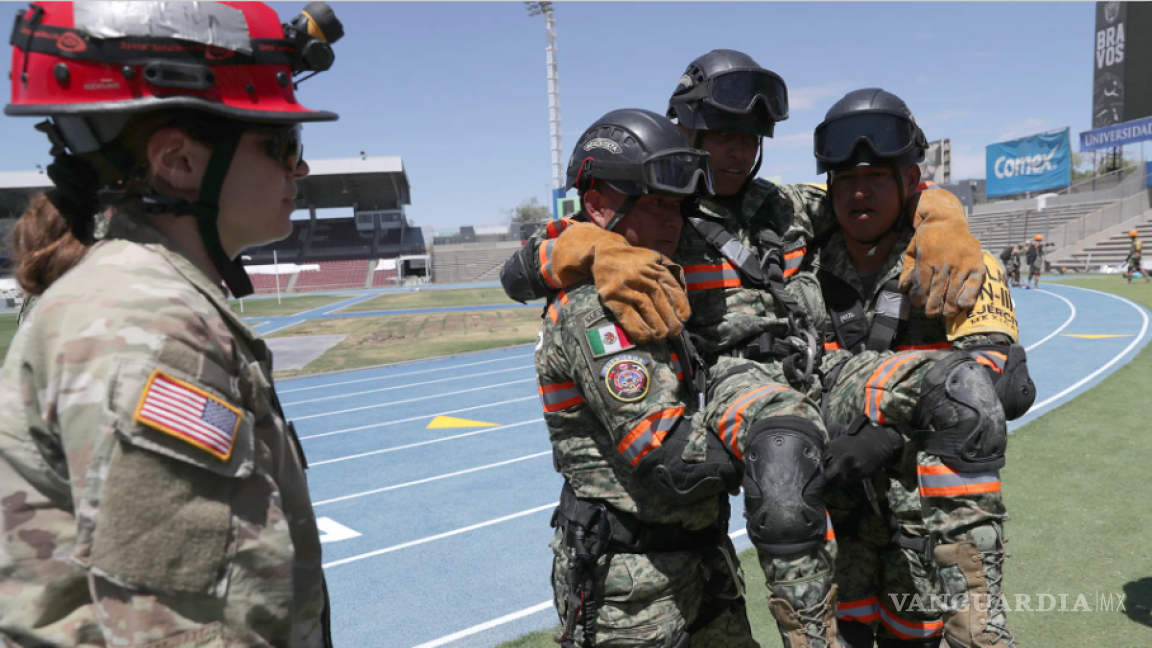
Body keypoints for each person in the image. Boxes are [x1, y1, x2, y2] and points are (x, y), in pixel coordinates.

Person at [504, 50, 988, 648]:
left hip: (817, 369)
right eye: (723, 135)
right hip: (738, 389)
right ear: (687, 131)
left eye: (749, 138)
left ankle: (979, 619)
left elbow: (875, 188)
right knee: (785, 458)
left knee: (966, 390)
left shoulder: (784, 205)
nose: (736, 150)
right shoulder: (662, 209)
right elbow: (524, 265)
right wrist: (591, 250)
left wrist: (945, 216)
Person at [0, 2, 344, 646]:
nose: (300, 169)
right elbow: (190, 631)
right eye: (282, 144)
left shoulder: (136, 301)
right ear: (178, 162)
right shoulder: (147, 326)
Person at [804, 89, 1033, 648]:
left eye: (877, 177)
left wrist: (889, 432)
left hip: (924, 520)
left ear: (910, 180)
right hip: (835, 513)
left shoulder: (953, 255)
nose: (859, 191)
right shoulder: (800, 254)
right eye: (846, 178)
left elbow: (997, 385)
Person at [541, 107, 761, 648]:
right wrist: (783, 446)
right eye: (657, 203)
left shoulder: (652, 287)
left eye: (680, 206)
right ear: (598, 203)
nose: (673, 220)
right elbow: (671, 458)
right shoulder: (594, 309)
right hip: (632, 591)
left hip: (702, 560)